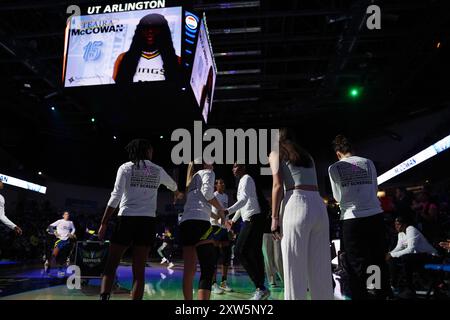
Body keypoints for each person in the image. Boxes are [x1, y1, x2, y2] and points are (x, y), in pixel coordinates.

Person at [98, 139, 182, 300]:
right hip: (146, 223)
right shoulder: (157, 170)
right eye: (151, 149)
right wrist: (177, 193)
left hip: (126, 219)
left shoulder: (125, 168)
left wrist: (104, 222)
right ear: (147, 151)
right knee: (139, 272)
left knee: (111, 265)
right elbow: (173, 185)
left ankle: (104, 297)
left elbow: (115, 197)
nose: (152, 152)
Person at [270, 128, 333, 300]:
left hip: (296, 204)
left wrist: (274, 218)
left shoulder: (276, 153)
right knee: (320, 270)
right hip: (318, 205)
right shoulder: (307, 155)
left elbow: (277, 186)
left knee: (293, 270)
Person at [328, 135, 389, 300]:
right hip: (375, 216)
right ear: (353, 149)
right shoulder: (368, 162)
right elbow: (375, 188)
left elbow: (338, 197)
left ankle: (362, 296)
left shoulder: (334, 167)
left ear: (338, 153)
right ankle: (377, 294)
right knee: (376, 258)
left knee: (356, 263)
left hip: (351, 220)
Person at [178, 160, 227, 300]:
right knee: (207, 268)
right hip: (200, 224)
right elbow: (207, 193)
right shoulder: (208, 172)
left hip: (186, 223)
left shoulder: (193, 179)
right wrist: (221, 210)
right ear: (205, 164)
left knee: (189, 270)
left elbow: (198, 204)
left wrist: (215, 215)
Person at [226, 163, 269, 300]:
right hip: (252, 219)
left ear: (243, 167)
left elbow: (243, 200)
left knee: (239, 251)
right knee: (256, 253)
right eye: (232, 167)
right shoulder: (243, 180)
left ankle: (260, 287)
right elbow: (242, 203)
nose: (233, 169)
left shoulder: (246, 179)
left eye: (236, 166)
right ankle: (261, 287)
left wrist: (227, 211)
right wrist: (233, 219)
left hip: (253, 219)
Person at [113, 13, 180, 83]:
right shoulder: (123, 58)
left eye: (155, 27)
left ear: (163, 32)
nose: (150, 31)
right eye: (146, 27)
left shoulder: (177, 61)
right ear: (139, 31)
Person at [386, 216, 439, 298]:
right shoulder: (401, 233)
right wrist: (389, 254)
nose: (396, 226)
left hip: (431, 256)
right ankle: (393, 284)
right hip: (417, 256)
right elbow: (399, 247)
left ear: (404, 224)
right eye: (395, 224)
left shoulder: (411, 229)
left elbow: (411, 249)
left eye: (398, 224)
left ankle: (409, 288)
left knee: (406, 258)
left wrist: (392, 255)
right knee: (392, 260)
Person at [210, 178, 233, 294]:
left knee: (226, 255)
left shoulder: (226, 196)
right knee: (214, 256)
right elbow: (214, 213)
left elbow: (225, 213)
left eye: (224, 182)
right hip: (215, 227)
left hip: (224, 228)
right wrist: (219, 221)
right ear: (216, 185)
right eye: (221, 183)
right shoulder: (213, 195)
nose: (223, 184)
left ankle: (223, 282)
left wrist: (228, 227)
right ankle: (213, 283)